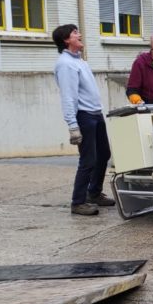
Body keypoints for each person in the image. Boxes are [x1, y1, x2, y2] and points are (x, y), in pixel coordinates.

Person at [52, 24, 115, 215]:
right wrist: (72, 125)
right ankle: (78, 202)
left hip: (95, 114)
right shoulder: (65, 64)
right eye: (74, 33)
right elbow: (68, 96)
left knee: (103, 155)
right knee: (88, 160)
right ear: (66, 40)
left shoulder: (80, 61)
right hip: (84, 116)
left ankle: (94, 193)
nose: (80, 35)